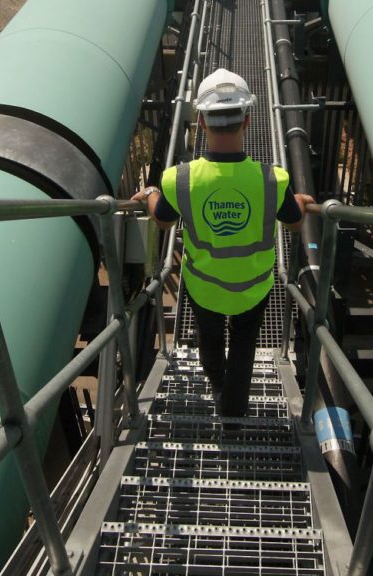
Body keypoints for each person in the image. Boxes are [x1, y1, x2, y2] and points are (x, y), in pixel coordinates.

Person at [133, 69, 312, 418]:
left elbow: (164, 219)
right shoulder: (271, 180)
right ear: (247, 121)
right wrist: (302, 202)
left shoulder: (179, 179)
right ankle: (233, 409)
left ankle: (216, 383)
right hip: (253, 287)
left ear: (200, 122)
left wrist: (152, 193)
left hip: (204, 287)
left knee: (210, 339)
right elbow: (294, 221)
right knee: (244, 345)